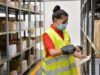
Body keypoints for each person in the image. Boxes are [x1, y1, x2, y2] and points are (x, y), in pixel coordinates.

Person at [42, 5, 85, 75]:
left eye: (67, 22)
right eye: (64, 22)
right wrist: (71, 49)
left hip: (68, 71)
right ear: (55, 20)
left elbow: (68, 49)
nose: (66, 24)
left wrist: (77, 54)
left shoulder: (65, 33)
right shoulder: (47, 34)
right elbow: (52, 52)